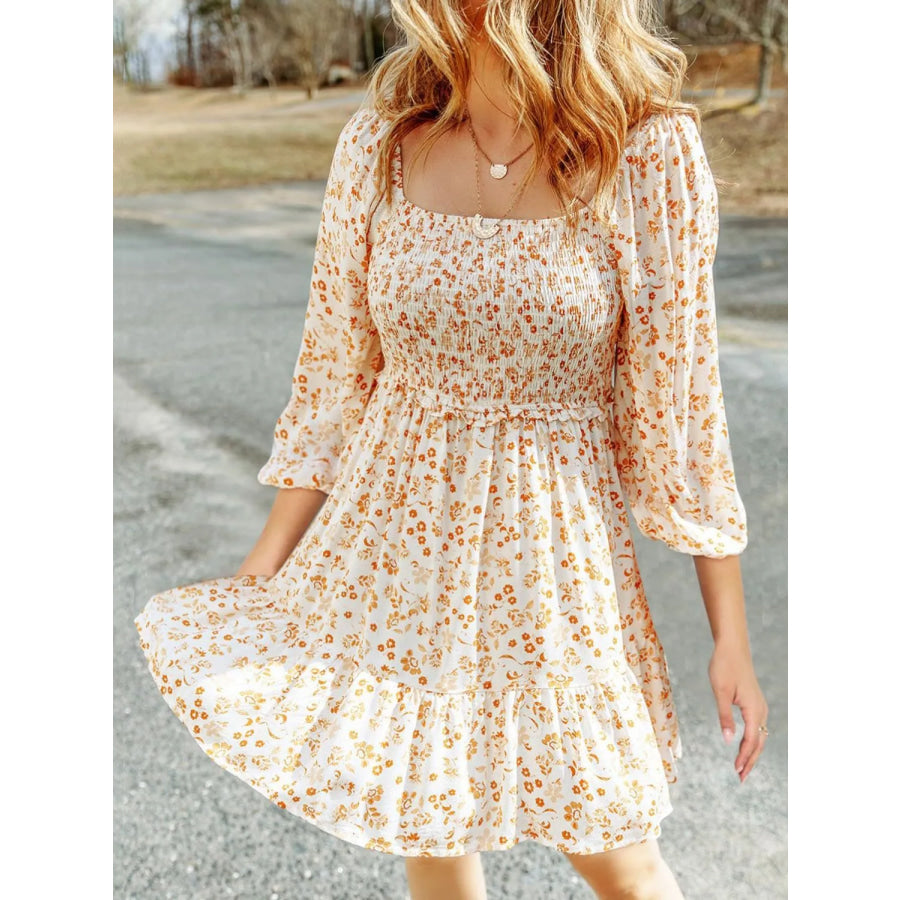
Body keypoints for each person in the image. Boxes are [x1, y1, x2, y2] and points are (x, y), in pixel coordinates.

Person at [134, 1, 769, 897]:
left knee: (622, 857)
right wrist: (263, 575)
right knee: (427, 817)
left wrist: (729, 637)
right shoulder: (380, 147)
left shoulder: (645, 154)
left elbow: (685, 411)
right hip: (395, 558)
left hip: (553, 568)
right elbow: (334, 383)